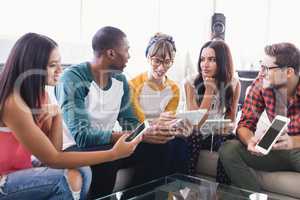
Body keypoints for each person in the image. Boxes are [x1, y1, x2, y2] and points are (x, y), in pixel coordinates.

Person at [0, 33, 142, 200]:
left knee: (82, 170)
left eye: (59, 63)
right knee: (63, 179)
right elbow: (53, 159)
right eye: (53, 65)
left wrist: (57, 115)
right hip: (3, 180)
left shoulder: (41, 95)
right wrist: (114, 153)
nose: (60, 70)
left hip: (22, 171)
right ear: (31, 67)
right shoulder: (13, 103)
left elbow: (54, 150)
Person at [55, 27, 188, 198]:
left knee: (164, 146)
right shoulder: (72, 79)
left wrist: (152, 132)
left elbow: (131, 123)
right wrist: (136, 135)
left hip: (107, 144)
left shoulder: (120, 80)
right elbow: (83, 136)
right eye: (126, 50)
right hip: (76, 149)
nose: (129, 56)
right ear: (111, 53)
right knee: (107, 161)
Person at [219, 42, 300, 192]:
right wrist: (250, 140)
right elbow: (245, 123)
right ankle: (255, 197)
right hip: (277, 149)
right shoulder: (262, 83)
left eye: (267, 68)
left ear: (288, 72)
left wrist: (293, 141)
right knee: (229, 149)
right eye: (261, 66)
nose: (261, 72)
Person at [130, 33, 192, 174]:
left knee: (180, 143)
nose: (161, 67)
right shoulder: (134, 85)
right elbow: (136, 123)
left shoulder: (174, 88)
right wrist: (158, 123)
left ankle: (180, 191)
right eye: (157, 61)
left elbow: (169, 122)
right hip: (141, 137)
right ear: (148, 58)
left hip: (161, 135)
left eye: (167, 62)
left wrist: (179, 127)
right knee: (164, 147)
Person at [184, 40, 240, 183]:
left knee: (229, 141)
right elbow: (197, 122)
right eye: (202, 59)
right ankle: (188, 184)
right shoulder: (189, 83)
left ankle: (222, 191)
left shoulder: (234, 83)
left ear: (222, 62)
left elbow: (231, 118)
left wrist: (226, 128)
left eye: (212, 59)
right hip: (195, 132)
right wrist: (209, 89)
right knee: (194, 135)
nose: (205, 64)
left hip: (216, 134)